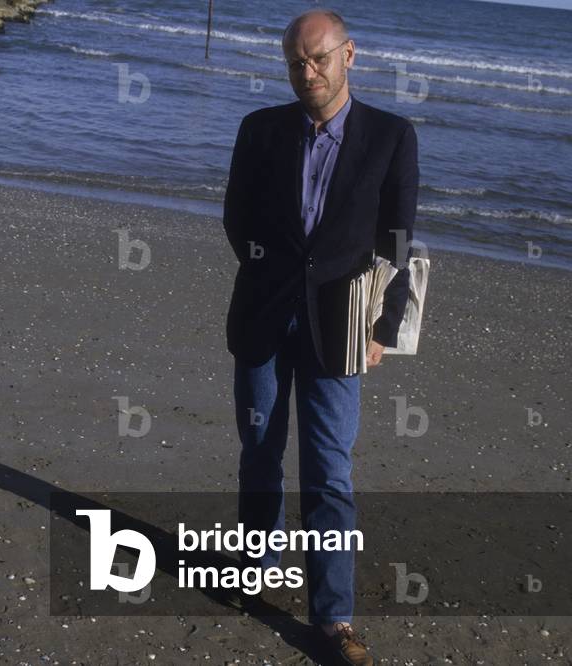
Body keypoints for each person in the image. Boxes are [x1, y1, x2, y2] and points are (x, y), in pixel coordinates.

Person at [222, 8, 419, 666]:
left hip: (342, 325)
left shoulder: (390, 136)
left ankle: (333, 617)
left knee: (329, 471)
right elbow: (236, 216)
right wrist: (268, 275)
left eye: (319, 59)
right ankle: (255, 570)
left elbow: (397, 239)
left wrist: (384, 326)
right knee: (259, 451)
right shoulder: (260, 128)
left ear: (348, 55)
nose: (307, 72)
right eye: (296, 63)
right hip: (262, 315)